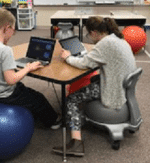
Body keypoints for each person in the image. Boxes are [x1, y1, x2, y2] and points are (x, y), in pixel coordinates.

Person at [52, 16, 137, 157]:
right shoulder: (117, 38)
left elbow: (84, 64)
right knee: (93, 79)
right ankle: (80, 118)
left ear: (93, 33)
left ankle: (76, 143)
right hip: (121, 83)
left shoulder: (105, 44)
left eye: (88, 35)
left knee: (71, 99)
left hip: (113, 88)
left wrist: (67, 57)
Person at [0, 8, 61, 129]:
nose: (12, 34)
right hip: (6, 95)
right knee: (39, 98)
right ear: (7, 28)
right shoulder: (5, 50)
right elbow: (11, 80)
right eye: (13, 30)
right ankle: (54, 122)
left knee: (25, 90)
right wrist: (28, 68)